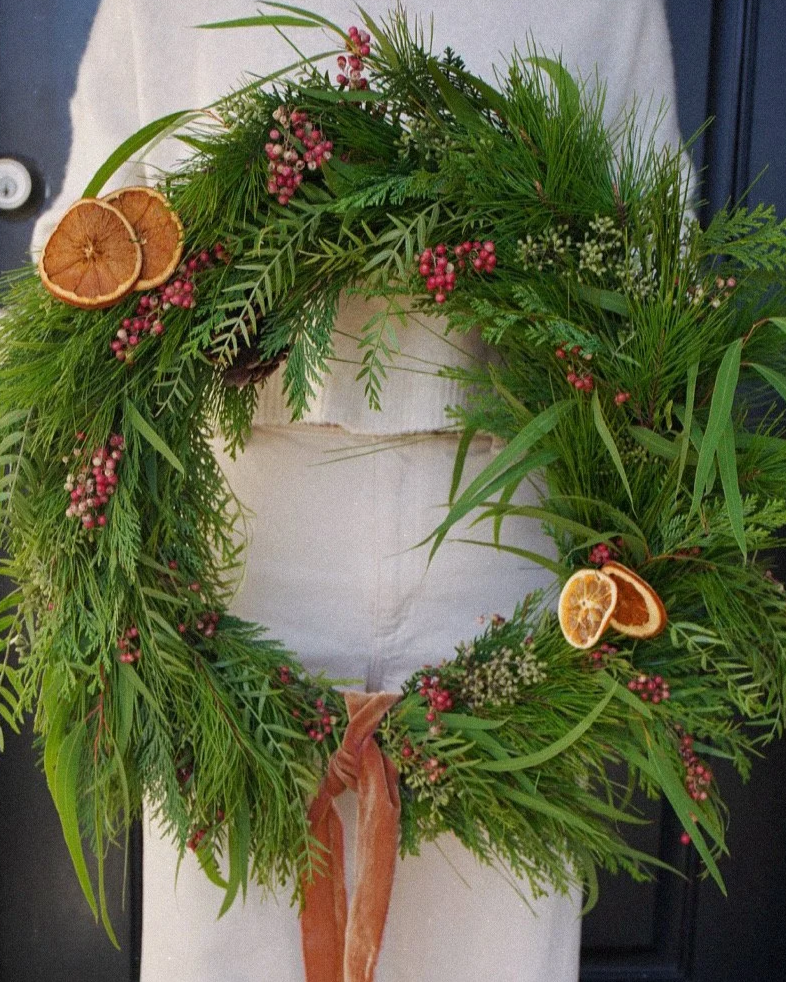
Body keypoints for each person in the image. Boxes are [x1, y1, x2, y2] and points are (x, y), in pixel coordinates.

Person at [34, 2, 683, 979]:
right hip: (239, 538)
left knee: (492, 938)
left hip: (500, 528)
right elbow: (88, 250)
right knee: (229, 938)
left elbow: (650, 266)